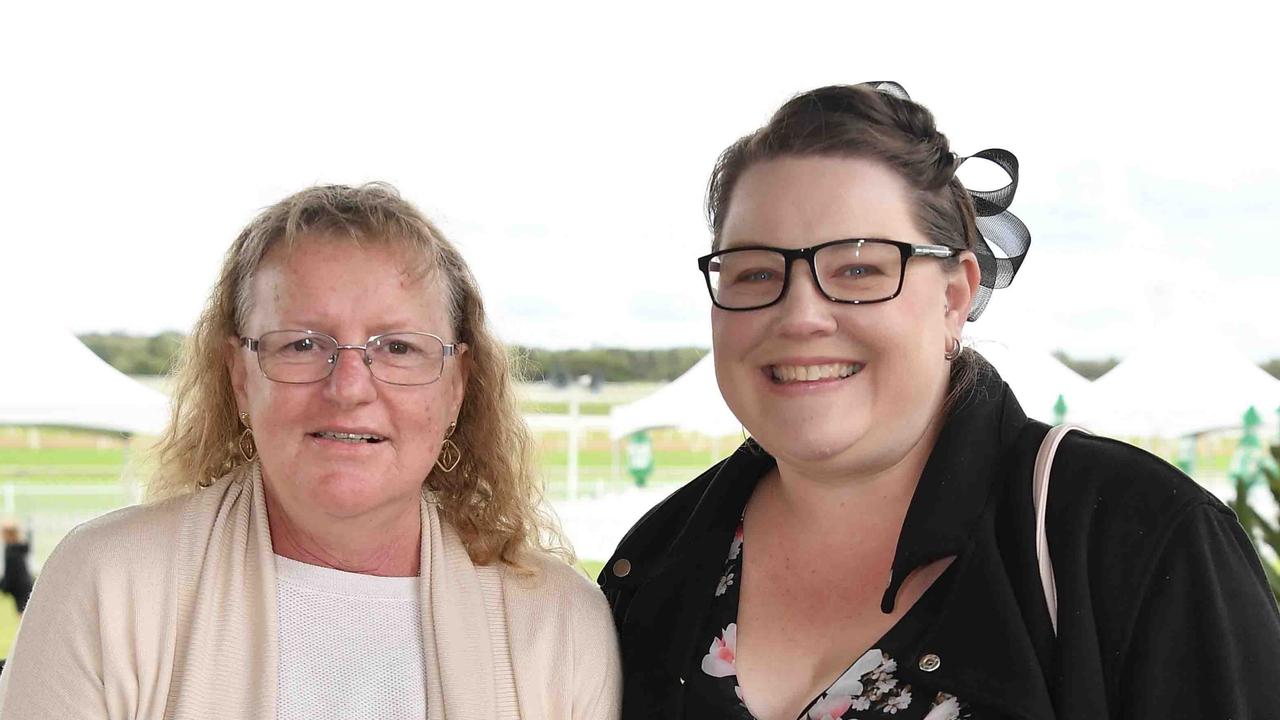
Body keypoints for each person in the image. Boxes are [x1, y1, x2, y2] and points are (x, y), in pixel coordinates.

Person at [600, 83, 1280, 719]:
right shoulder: (654, 565)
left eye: (860, 267)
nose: (801, 315)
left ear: (955, 296)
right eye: (754, 272)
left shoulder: (1140, 541)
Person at [0, 183, 620, 718]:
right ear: (241, 379)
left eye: (398, 347)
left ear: (456, 387)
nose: (349, 386)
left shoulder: (560, 628)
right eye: (300, 343)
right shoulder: (106, 586)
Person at [0, 521, 33, 614]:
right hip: (25, 585)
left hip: (19, 588)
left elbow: (10, 573)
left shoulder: (11, 553)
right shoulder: (19, 550)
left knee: (23, 615)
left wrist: (4, 586)